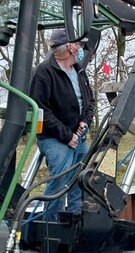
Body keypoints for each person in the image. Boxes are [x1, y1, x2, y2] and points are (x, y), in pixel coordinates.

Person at [30, 29, 95, 221]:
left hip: (78, 135)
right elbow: (41, 110)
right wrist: (67, 136)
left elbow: (90, 102)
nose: (81, 48)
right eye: (79, 45)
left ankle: (75, 220)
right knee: (60, 178)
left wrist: (85, 122)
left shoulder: (79, 71)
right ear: (70, 47)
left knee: (79, 179)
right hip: (53, 137)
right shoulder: (44, 72)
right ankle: (49, 226)